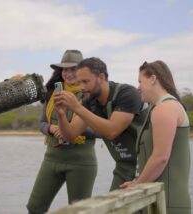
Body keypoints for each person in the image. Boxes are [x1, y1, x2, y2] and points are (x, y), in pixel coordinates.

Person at [54, 57, 146, 191]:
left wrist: (77, 107)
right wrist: (61, 114)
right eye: (79, 83)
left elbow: (112, 131)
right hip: (124, 167)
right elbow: (70, 135)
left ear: (101, 77)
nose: (81, 87)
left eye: (85, 81)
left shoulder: (127, 93)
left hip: (147, 165)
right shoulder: (89, 100)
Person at [26, 50, 98, 214]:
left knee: (79, 211)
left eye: (73, 69)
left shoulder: (90, 95)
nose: (69, 73)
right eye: (65, 69)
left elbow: (98, 129)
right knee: (34, 208)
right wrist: (51, 129)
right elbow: (41, 123)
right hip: (52, 158)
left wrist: (70, 130)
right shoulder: (52, 92)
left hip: (81, 162)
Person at [120, 61, 191, 214]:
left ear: (153, 79)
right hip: (157, 201)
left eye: (140, 81)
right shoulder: (159, 107)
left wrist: (137, 184)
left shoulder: (165, 108)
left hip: (168, 203)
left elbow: (161, 157)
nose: (138, 87)